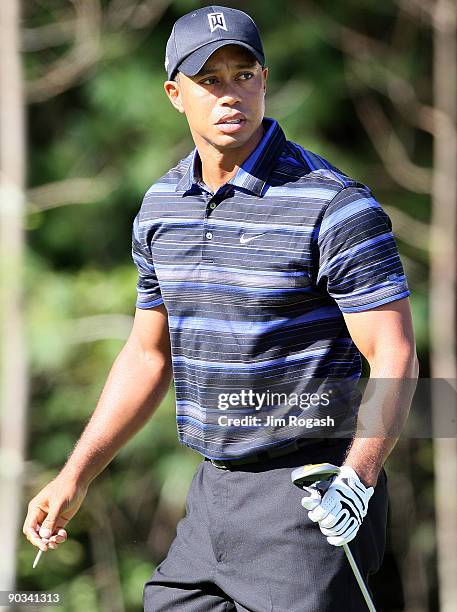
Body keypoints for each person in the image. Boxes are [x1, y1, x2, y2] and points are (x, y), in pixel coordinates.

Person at [23, 6, 419, 611]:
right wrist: (76, 473)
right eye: (209, 80)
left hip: (313, 497)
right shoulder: (161, 208)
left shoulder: (334, 205)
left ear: (263, 80)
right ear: (174, 93)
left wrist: (356, 482)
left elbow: (395, 354)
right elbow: (148, 355)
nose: (229, 93)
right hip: (212, 498)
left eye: (244, 74)